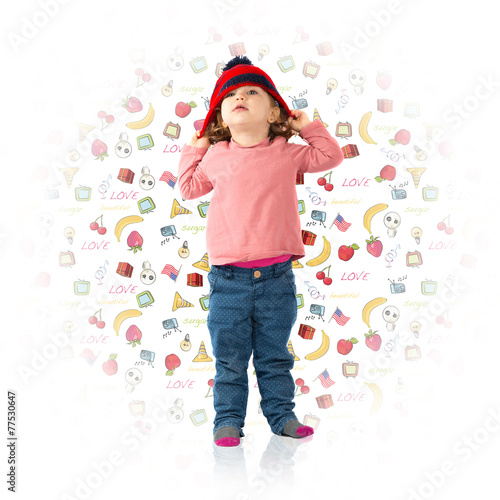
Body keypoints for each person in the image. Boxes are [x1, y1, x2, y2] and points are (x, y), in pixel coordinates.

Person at [178, 55, 344, 447]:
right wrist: (195, 148)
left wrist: (308, 126)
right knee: (230, 361)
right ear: (220, 116)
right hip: (228, 280)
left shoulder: (287, 150)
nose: (241, 98)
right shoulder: (217, 156)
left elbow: (330, 156)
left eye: (253, 92)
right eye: (231, 94)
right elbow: (187, 188)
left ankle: (282, 416)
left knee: (274, 357)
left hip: (276, 279)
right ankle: (228, 421)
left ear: (273, 112)